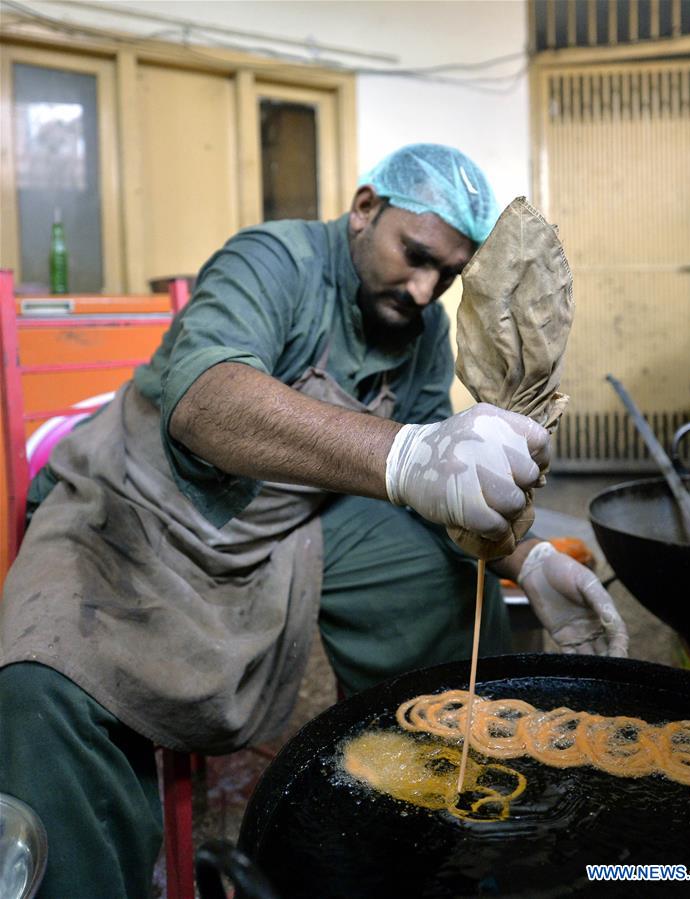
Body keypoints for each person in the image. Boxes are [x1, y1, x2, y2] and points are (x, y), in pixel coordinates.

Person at [0, 144, 627, 897]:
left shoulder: (420, 328)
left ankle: (428, 822)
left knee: (437, 571)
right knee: (41, 687)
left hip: (283, 523)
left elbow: (433, 484)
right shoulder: (273, 258)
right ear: (365, 208)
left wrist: (521, 557)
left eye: (448, 275)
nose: (427, 290)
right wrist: (406, 454)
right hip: (137, 505)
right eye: (415, 255)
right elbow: (206, 402)